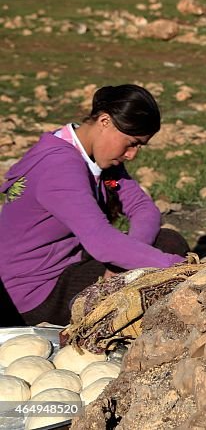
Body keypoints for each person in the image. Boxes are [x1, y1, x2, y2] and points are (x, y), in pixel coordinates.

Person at [0, 84, 189, 325]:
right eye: (131, 143)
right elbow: (102, 241)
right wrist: (180, 269)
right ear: (104, 121)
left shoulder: (94, 157)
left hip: (69, 265)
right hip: (37, 294)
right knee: (160, 268)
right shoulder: (59, 166)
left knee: (167, 242)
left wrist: (123, 263)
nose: (132, 155)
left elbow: (143, 209)